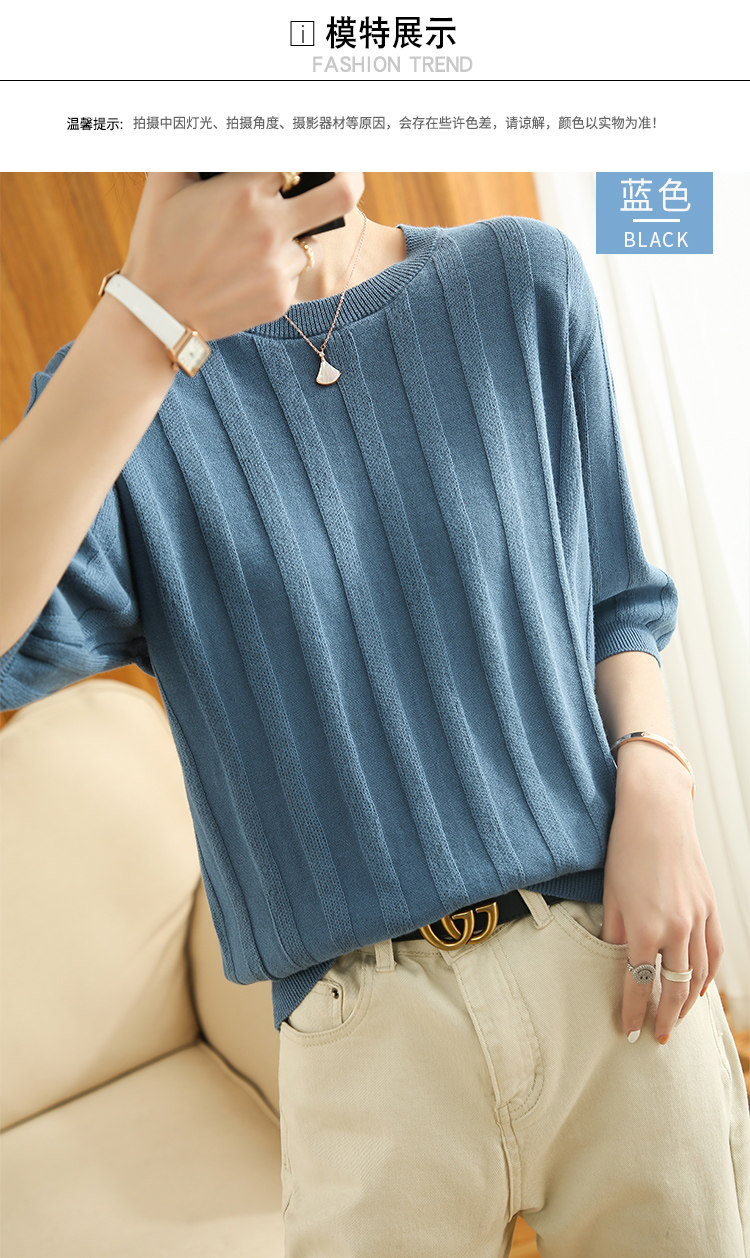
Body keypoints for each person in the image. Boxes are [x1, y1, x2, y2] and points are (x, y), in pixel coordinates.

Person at [1, 172, 748, 1257]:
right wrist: (145, 320)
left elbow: (614, 598)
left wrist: (659, 773)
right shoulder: (122, 397)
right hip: (365, 1045)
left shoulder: (519, 278)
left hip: (607, 963)